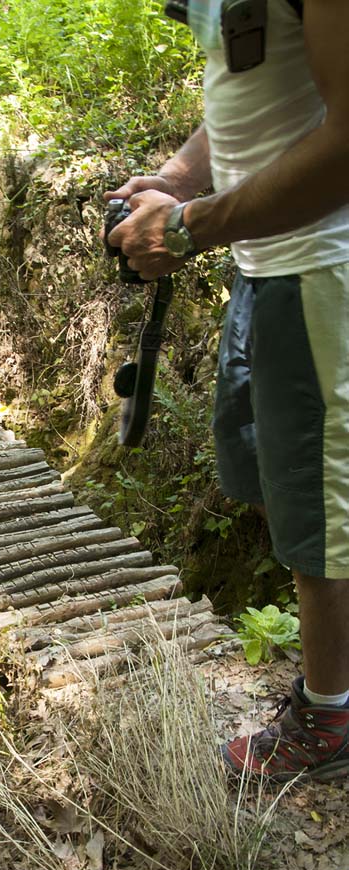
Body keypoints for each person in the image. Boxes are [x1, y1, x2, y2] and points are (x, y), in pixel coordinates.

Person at [105, 0, 349, 782]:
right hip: (262, 273)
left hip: (319, 269)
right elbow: (255, 93)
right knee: (282, 489)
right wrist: (180, 180)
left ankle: (327, 720)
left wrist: (186, 228)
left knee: (322, 513)